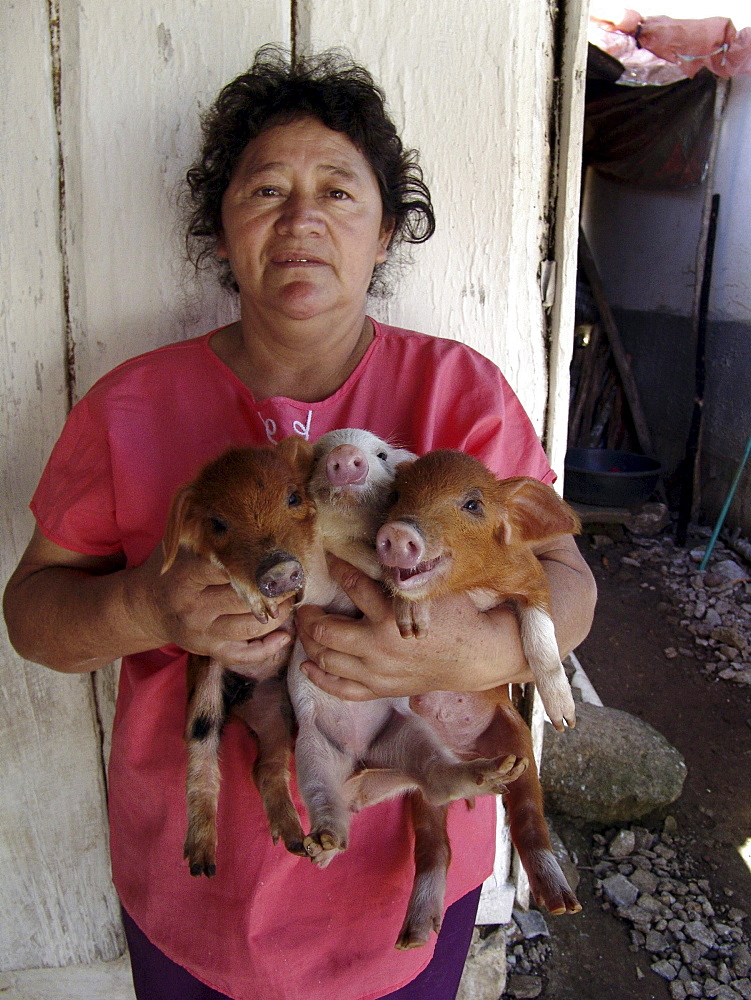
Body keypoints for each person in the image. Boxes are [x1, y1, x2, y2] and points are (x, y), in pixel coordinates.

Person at [3, 47, 596, 1000]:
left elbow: (566, 589)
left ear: (386, 232)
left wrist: (462, 651)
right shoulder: (129, 407)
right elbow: (32, 615)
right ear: (222, 227)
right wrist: (149, 610)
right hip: (194, 897)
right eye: (266, 190)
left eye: (338, 192)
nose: (301, 221)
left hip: (403, 894)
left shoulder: (460, 394)